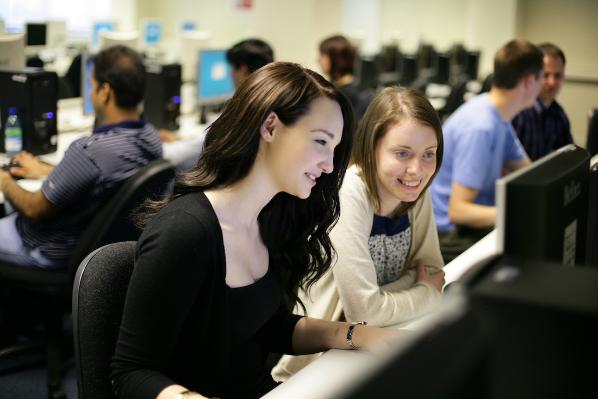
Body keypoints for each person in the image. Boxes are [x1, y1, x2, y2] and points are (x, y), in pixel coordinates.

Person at [110, 62, 402, 399]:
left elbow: (264, 327)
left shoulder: (272, 219)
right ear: (271, 127)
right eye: (321, 142)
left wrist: (355, 336)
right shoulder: (185, 232)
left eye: (335, 149)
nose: (330, 165)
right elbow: (130, 373)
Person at [272, 86, 446, 380]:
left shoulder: (414, 189)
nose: (416, 169)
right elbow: (364, 312)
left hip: (379, 346)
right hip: (317, 368)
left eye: (429, 154)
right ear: (371, 147)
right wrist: (425, 291)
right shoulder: (350, 191)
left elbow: (431, 269)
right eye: (402, 153)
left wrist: (381, 299)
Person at [0, 45, 162, 269]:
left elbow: (32, 208)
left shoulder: (88, 151)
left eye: (91, 85)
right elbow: (101, 175)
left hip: (46, 248)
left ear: (105, 92)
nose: (89, 92)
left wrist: (4, 181)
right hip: (101, 253)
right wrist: (46, 170)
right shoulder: (150, 137)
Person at [431, 39, 543, 263]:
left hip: (469, 224)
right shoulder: (480, 127)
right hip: (449, 235)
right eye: (541, 78)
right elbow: (459, 211)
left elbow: (530, 174)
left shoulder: (498, 115)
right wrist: (517, 212)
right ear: (530, 81)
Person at [161, 38, 275, 171]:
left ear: (243, 70)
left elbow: (186, 153)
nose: (231, 74)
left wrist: (154, 145)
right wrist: (179, 139)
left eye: (232, 68)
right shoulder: (272, 103)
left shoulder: (244, 110)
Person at [512, 42, 573, 161]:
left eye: (558, 75)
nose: (552, 82)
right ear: (533, 75)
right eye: (546, 75)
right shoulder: (517, 112)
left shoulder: (559, 114)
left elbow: (570, 159)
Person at [318, 34, 373, 120]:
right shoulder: (353, 88)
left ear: (335, 59)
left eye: (322, 55)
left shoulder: (342, 94)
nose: (318, 60)